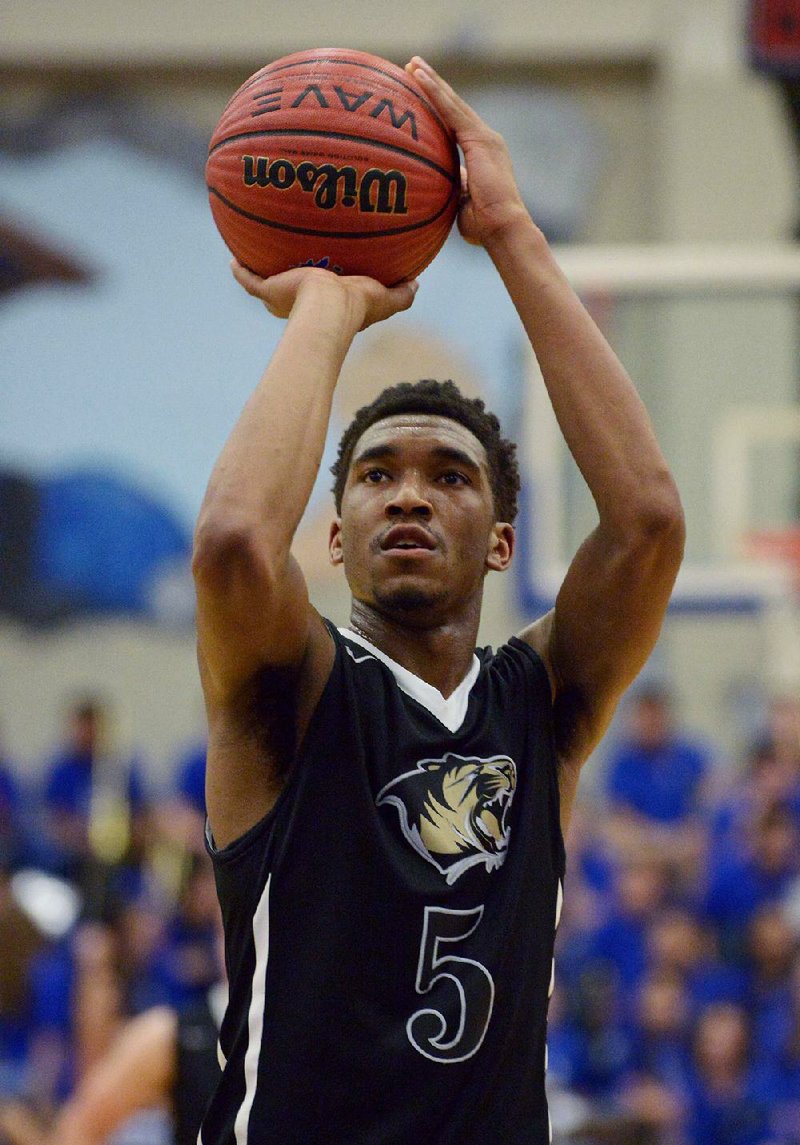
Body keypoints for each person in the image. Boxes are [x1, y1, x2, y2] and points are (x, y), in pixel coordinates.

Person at [191, 56, 685, 1143]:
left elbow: (646, 523)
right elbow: (231, 540)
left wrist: (507, 230)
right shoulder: (296, 687)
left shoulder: (538, 704)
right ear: (334, 534)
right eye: (376, 474)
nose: (408, 494)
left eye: (448, 475)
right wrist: (327, 304)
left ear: (501, 538)